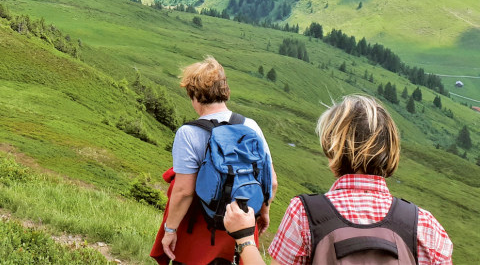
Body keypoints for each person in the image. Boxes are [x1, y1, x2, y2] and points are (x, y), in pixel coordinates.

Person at [223, 94, 453, 265]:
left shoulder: (304, 213)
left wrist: (244, 237)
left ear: (332, 148)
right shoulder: (425, 225)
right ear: (390, 149)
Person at [155, 56, 278, 265]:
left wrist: (170, 230)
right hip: (240, 224)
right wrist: (263, 212)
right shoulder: (251, 126)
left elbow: (184, 191)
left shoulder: (188, 133)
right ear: (224, 91)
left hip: (201, 230)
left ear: (193, 94)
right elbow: (271, 181)